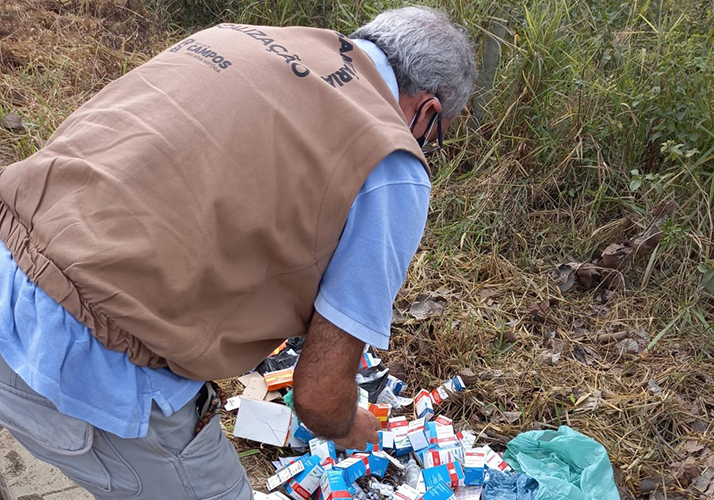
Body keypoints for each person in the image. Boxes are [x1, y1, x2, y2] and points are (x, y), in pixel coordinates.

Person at [0, 6, 476, 499]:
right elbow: (319, 397)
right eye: (433, 137)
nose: (424, 145)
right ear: (427, 111)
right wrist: (350, 427)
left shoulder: (235, 37)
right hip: (84, 361)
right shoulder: (392, 162)